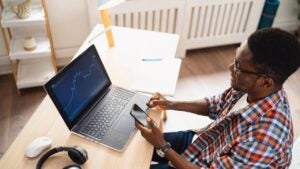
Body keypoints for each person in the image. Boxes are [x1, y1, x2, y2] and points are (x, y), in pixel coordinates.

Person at [135, 28, 300, 168]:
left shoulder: (264, 139)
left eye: (238, 67)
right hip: (204, 144)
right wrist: (171, 104)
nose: (230, 68)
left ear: (265, 82)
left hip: (203, 163)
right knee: (136, 144)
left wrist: (163, 147)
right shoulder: (251, 87)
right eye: (235, 60)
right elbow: (216, 104)